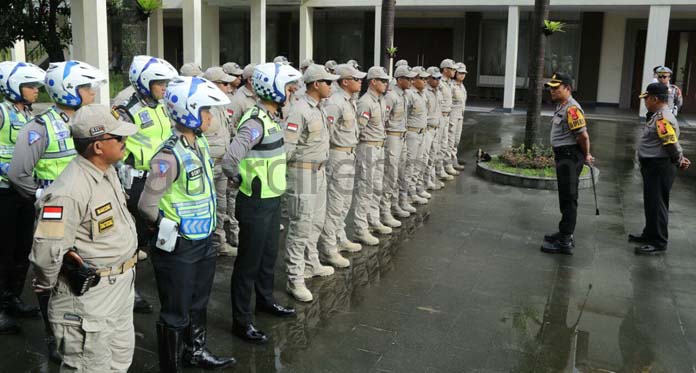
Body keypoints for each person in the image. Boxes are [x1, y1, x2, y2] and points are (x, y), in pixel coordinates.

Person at [8, 60, 106, 363]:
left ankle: (80, 329)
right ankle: (54, 335)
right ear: (69, 90)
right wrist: (41, 195)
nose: (92, 93)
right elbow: (18, 173)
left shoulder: (88, 121)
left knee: (81, 271)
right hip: (54, 215)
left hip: (85, 212)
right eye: (86, 87)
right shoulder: (39, 128)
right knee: (50, 271)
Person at [29, 104, 139, 372]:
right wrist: (47, 283)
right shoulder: (68, 190)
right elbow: (47, 249)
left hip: (120, 289)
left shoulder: (107, 171)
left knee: (119, 362)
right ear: (98, 146)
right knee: (89, 367)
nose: (125, 142)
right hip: (89, 297)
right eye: (119, 138)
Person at [138, 76, 235, 372]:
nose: (210, 116)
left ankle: (195, 352)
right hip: (179, 245)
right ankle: (172, 365)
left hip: (203, 240)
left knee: (198, 302)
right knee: (175, 310)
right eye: (205, 110)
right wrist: (171, 230)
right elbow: (146, 205)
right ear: (189, 111)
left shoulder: (199, 143)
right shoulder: (169, 155)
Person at [222, 62, 300, 344]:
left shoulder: (271, 117)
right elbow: (231, 159)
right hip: (255, 203)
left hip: (271, 200)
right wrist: (242, 181)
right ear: (275, 88)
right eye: (288, 87)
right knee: (248, 264)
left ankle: (265, 302)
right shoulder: (255, 122)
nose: (291, 91)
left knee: (268, 258)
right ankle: (241, 322)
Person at [113, 55, 178, 314]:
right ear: (143, 82)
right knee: (134, 238)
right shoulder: (127, 109)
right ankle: (127, 290)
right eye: (159, 82)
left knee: (154, 234)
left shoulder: (160, 106)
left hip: (159, 178)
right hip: (136, 180)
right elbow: (115, 146)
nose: (164, 87)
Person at [284, 64, 339, 302]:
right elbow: (287, 149)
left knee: (316, 221)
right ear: (315, 84)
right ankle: (294, 278)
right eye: (328, 82)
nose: (331, 86)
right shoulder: (299, 110)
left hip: (319, 172)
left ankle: (311, 262)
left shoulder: (319, 107)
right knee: (300, 226)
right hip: (302, 174)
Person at [0, 61, 45, 335]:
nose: (35, 91)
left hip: (24, 191)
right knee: (2, 251)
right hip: (3, 192)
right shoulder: (2, 113)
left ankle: (12, 299)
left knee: (22, 249)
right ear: (14, 87)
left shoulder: (28, 113)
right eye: (30, 86)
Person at [630, 82, 690, 255]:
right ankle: (649, 234)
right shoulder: (657, 115)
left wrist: (679, 160)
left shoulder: (662, 118)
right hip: (653, 165)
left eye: (646, 98)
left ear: (655, 99)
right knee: (651, 202)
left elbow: (671, 143)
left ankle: (658, 242)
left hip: (659, 166)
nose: (645, 102)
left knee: (657, 204)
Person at [317, 64, 366, 268]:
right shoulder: (335, 102)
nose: (360, 81)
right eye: (356, 78)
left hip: (349, 152)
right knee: (336, 203)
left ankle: (339, 236)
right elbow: (325, 132)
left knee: (345, 201)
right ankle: (329, 248)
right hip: (337, 155)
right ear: (345, 81)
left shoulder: (349, 101)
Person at [541, 73, 594, 255]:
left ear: (568, 88)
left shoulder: (572, 109)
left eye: (556, 87)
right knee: (565, 196)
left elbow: (583, 136)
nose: (552, 90)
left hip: (569, 156)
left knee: (569, 198)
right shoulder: (562, 106)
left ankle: (565, 241)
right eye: (551, 87)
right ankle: (563, 231)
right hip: (564, 155)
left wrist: (586, 155)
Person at [351, 66, 392, 246]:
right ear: (373, 81)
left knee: (376, 186)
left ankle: (373, 220)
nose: (385, 84)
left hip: (379, 147)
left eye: (386, 81)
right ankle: (360, 228)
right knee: (365, 188)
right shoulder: (365, 102)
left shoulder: (380, 100)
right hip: (367, 148)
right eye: (382, 80)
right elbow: (358, 129)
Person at [202, 67, 238, 256]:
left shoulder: (222, 106)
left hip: (222, 165)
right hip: (207, 165)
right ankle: (206, 245)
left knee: (221, 206)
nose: (228, 86)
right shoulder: (202, 106)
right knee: (206, 206)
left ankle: (219, 243)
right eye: (224, 83)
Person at [226, 63, 257, 246]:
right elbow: (231, 124)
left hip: (255, 155)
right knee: (235, 195)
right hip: (242, 152)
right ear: (251, 80)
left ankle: (249, 230)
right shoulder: (238, 99)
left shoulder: (259, 97)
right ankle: (236, 234)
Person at [381, 65, 417, 222]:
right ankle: (385, 210)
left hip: (402, 136)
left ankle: (397, 203)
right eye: (408, 79)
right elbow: (383, 119)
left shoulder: (405, 95)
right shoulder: (391, 96)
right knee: (391, 174)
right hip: (392, 137)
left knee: (401, 172)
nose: (411, 81)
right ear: (399, 79)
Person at [399, 66, 429, 211]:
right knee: (409, 166)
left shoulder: (422, 94)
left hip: (422, 132)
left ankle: (412, 191)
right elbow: (403, 115)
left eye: (424, 78)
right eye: (421, 78)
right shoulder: (409, 95)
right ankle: (405, 197)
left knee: (419, 162)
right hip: (411, 133)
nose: (424, 81)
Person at [438, 59, 457, 178]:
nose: (454, 71)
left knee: (446, 143)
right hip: (440, 116)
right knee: (439, 145)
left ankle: (444, 167)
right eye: (452, 69)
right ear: (445, 69)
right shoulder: (439, 82)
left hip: (448, 115)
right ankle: (438, 171)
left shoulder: (450, 82)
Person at [449, 62, 467, 170]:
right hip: (452, 115)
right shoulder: (451, 85)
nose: (462, 75)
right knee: (451, 139)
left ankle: (453, 159)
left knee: (456, 139)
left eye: (464, 73)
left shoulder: (462, 86)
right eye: (460, 73)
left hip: (460, 115)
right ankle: (449, 162)